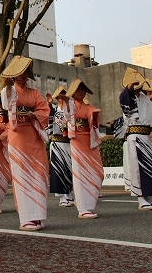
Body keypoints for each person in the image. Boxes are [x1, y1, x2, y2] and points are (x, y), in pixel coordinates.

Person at [0, 55, 50, 231]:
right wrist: (7, 86)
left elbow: (44, 109)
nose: (22, 75)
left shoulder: (34, 93)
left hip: (33, 134)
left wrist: (33, 115)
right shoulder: (9, 90)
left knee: (39, 172)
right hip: (17, 135)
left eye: (25, 72)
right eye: (19, 72)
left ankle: (38, 215)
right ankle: (26, 217)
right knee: (21, 174)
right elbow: (7, 105)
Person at [119, 68, 152, 210]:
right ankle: (141, 199)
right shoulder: (127, 98)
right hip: (135, 136)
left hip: (146, 136)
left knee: (150, 167)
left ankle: (149, 197)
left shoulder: (145, 99)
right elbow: (127, 107)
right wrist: (130, 88)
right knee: (138, 168)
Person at [61, 79, 103, 219]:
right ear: (72, 92)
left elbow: (95, 120)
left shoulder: (89, 106)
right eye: (78, 89)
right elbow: (67, 116)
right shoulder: (70, 105)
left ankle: (89, 205)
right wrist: (66, 102)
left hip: (90, 141)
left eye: (82, 89)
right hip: (77, 141)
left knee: (97, 172)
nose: (80, 92)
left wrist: (95, 114)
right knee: (80, 173)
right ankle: (83, 208)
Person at [46, 87, 74, 207]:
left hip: (69, 143)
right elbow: (46, 117)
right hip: (57, 143)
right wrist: (48, 104)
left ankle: (69, 194)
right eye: (59, 97)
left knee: (68, 169)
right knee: (58, 170)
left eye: (64, 96)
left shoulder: (70, 109)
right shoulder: (53, 111)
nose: (61, 99)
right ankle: (62, 197)